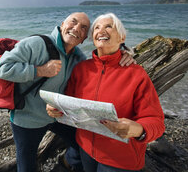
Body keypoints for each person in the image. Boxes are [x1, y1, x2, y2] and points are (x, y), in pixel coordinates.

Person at [0, 12, 134, 172]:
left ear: (84, 38)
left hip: (57, 117)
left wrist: (125, 53)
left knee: (81, 143)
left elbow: (100, 66)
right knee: (26, 166)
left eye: (83, 28)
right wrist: (39, 70)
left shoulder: (77, 57)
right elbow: (3, 69)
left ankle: (65, 163)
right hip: (27, 119)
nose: (76, 28)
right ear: (62, 25)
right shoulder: (36, 44)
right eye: (73, 22)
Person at [47, 13, 165, 172]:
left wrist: (137, 129)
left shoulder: (136, 74)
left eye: (109, 26)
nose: (101, 30)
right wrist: (56, 109)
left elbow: (156, 121)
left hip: (120, 158)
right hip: (86, 148)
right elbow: (70, 104)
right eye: (97, 27)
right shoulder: (82, 69)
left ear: (122, 37)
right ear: (93, 38)